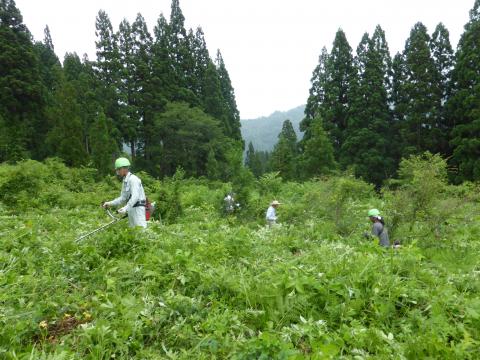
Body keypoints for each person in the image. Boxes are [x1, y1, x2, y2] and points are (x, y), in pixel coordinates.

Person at [102, 157, 147, 228]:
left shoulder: (133, 179)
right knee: (133, 232)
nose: (117, 172)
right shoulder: (125, 181)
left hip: (138, 209)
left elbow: (135, 196)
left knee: (141, 230)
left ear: (124, 168)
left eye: (118, 169)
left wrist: (125, 208)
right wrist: (110, 203)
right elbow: (123, 198)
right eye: (117, 170)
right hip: (131, 208)